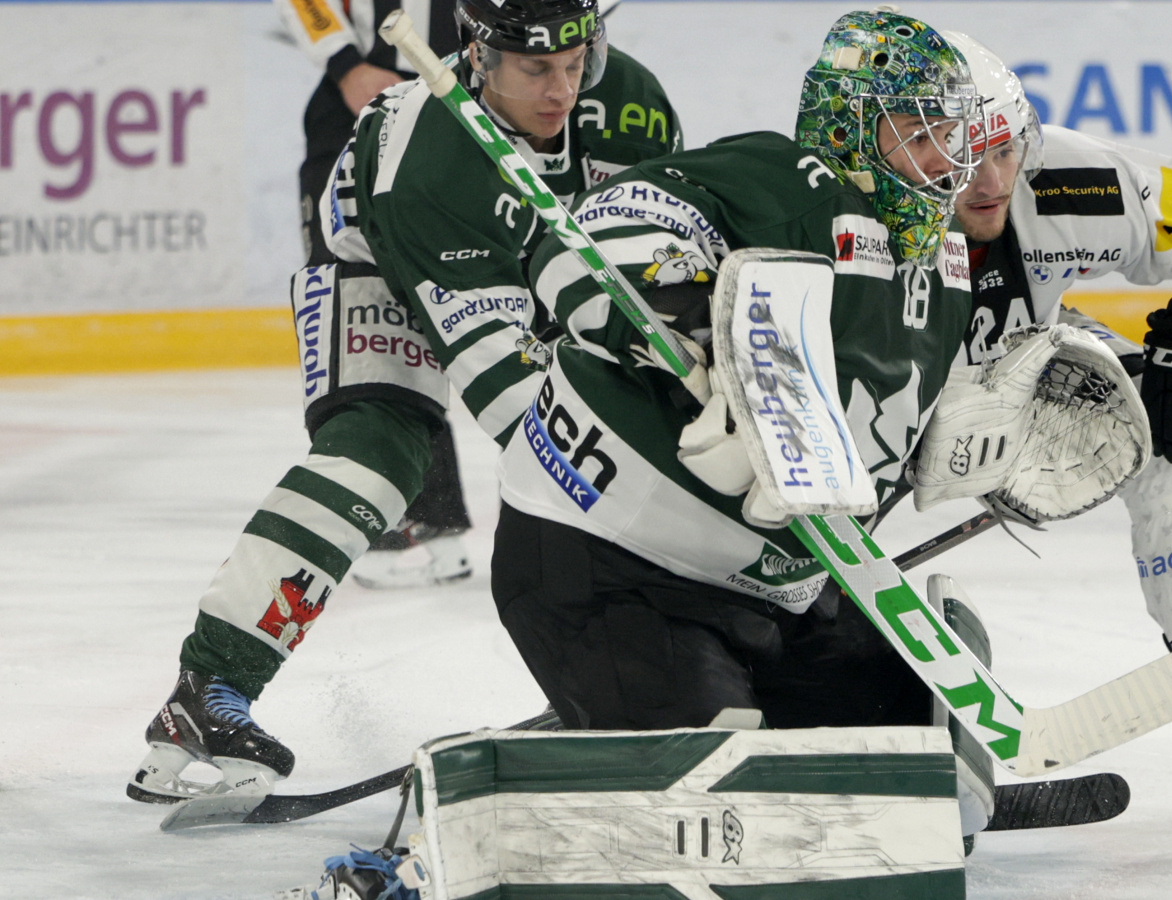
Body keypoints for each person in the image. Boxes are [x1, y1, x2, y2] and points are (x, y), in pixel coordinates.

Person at [128, 0, 681, 804]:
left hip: (530, 260)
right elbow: (507, 392)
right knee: (378, 455)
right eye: (535, 70)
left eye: (577, 62)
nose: (561, 89)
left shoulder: (632, 102)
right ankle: (209, 690)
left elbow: (666, 254)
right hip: (380, 266)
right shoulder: (427, 155)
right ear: (480, 58)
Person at [488, 7, 999, 836]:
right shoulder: (781, 175)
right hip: (609, 568)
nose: (943, 162)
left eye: (951, 134)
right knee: (725, 806)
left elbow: (894, 440)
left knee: (918, 744)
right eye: (914, 130)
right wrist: (692, 322)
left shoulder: (943, 268)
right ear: (850, 124)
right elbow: (580, 239)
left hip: (783, 602)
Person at [932, 30, 1172, 821]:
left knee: (1161, 421)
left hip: (1010, 365)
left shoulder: (1069, 180)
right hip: (880, 393)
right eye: (962, 156)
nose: (991, 181)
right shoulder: (835, 204)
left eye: (1005, 151)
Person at [270, 0, 622, 589]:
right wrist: (344, 65)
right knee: (367, 309)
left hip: (486, 107)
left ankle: (571, 493)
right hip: (364, 111)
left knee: (501, 304)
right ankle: (407, 513)